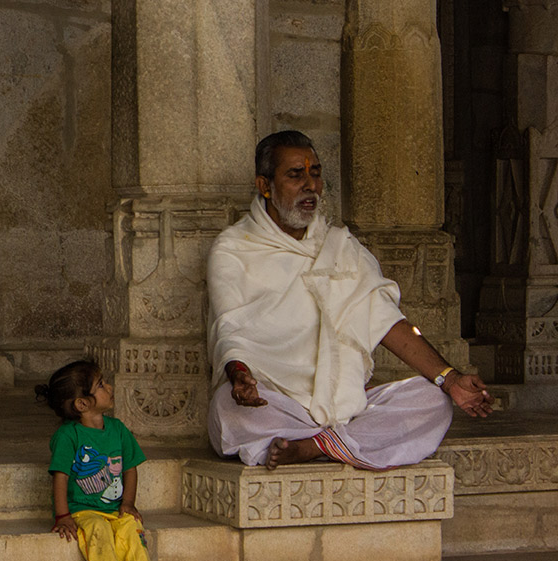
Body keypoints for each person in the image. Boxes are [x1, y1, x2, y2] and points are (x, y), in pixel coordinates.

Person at [207, 130, 494, 471]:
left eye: (315, 173)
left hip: (345, 405)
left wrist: (449, 378)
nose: (310, 185)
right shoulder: (234, 249)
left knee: (432, 401)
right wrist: (240, 376)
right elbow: (230, 329)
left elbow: (389, 322)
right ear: (264, 186)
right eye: (295, 175)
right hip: (276, 402)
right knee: (227, 409)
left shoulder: (342, 248)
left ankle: (315, 446)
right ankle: (342, 441)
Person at [37, 360, 165, 561]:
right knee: (98, 529)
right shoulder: (68, 436)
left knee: (131, 525)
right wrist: (63, 516)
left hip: (115, 507)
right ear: (82, 403)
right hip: (83, 510)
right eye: (101, 385)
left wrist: (127, 503)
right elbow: (61, 476)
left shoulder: (118, 429)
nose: (110, 387)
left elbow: (130, 468)